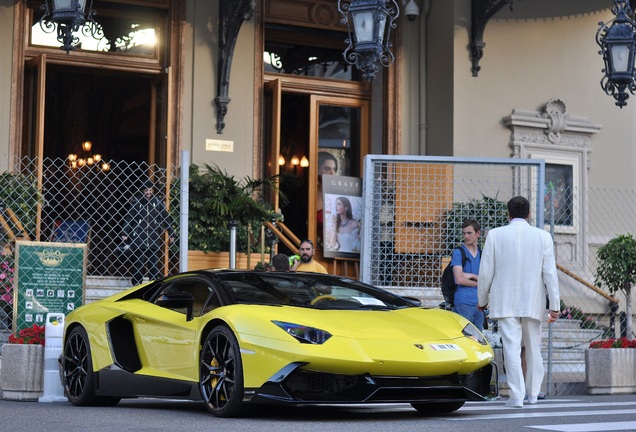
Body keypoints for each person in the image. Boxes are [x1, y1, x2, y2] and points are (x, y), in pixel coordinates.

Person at [477, 196, 560, 408]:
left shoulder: (495, 235)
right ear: (529, 213)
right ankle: (533, 394)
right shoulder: (543, 237)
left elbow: (486, 272)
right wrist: (555, 305)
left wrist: (482, 300)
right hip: (534, 300)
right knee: (534, 349)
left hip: (505, 301)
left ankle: (517, 396)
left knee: (511, 349)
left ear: (508, 213)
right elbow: (550, 274)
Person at [121, 179, 175, 286]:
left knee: (153, 266)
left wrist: (171, 233)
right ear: (143, 191)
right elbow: (129, 217)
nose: (148, 193)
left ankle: (153, 285)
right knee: (139, 265)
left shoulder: (158, 202)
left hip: (153, 238)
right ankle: (136, 284)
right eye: (146, 190)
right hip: (139, 238)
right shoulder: (137, 202)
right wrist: (125, 232)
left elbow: (165, 218)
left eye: (150, 190)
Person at [451, 219, 484, 330]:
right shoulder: (459, 252)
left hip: (479, 304)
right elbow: (459, 279)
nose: (466, 236)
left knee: (478, 340)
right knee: (464, 339)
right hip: (463, 303)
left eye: (469, 233)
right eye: (464, 233)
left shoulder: (482, 253)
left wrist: (469, 276)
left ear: (478, 233)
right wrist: (478, 280)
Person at [317, 151, 338, 246]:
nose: (332, 173)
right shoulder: (310, 194)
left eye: (334, 169)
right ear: (317, 169)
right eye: (327, 169)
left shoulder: (338, 197)